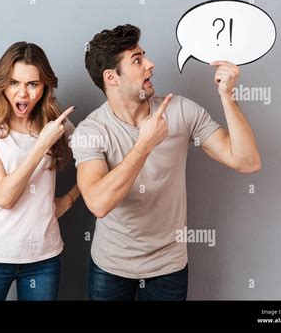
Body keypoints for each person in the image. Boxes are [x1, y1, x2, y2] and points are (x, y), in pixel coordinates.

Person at [72, 24, 261, 300]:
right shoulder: (91, 131)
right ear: (111, 77)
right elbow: (98, 203)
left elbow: (247, 161)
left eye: (144, 56)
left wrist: (227, 97)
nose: (150, 64)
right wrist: (144, 145)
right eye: (137, 60)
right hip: (110, 266)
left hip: (168, 267)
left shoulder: (181, 111)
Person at [0, 41, 80, 301]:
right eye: (14, 82)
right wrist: (41, 145)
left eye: (33, 84)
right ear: (2, 83)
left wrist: (69, 199)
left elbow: (97, 159)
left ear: (44, 86)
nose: (23, 94)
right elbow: (4, 196)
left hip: (43, 258)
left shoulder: (55, 123)